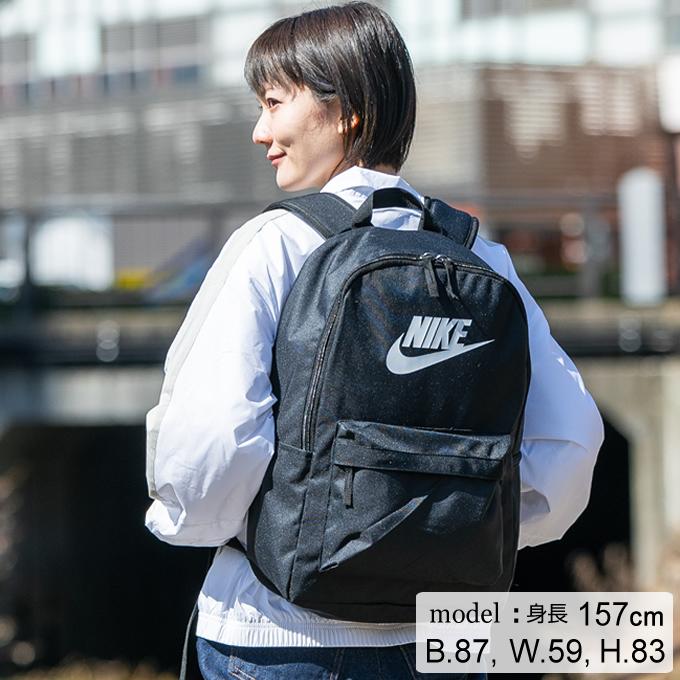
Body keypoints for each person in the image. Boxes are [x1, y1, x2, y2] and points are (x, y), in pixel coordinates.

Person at [145, 3, 604, 678]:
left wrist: (188, 523)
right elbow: (569, 446)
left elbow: (211, 444)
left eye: (273, 103)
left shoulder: (276, 244)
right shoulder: (481, 257)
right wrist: (453, 538)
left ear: (347, 111)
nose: (259, 131)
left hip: (277, 636)